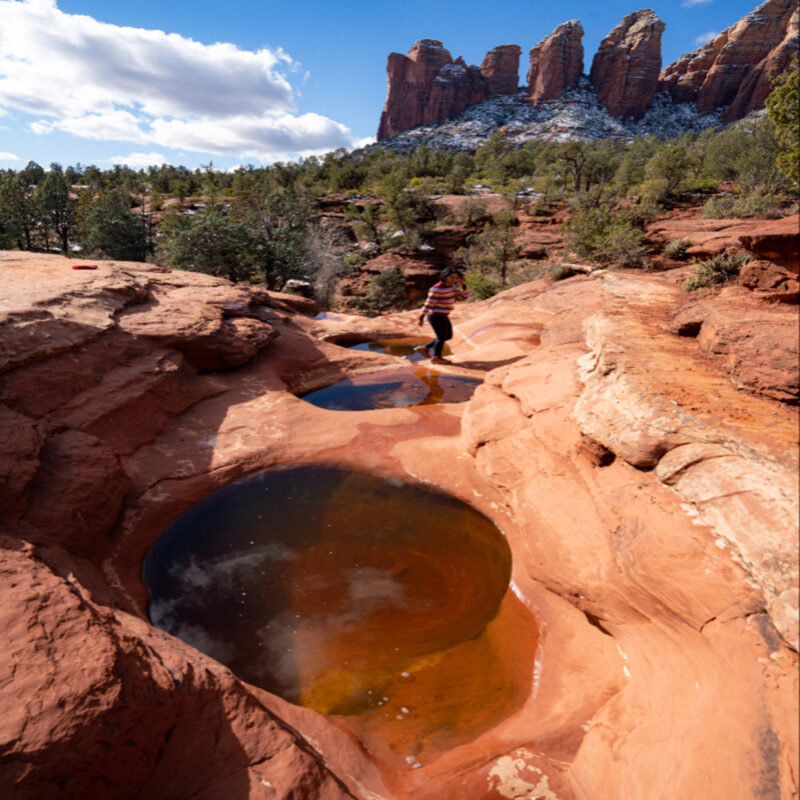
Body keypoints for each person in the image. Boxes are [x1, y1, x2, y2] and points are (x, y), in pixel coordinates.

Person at [415, 267, 469, 363]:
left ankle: (425, 348)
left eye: (456, 278)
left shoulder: (452, 287)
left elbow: (464, 297)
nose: (454, 280)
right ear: (444, 277)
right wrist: (421, 317)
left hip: (443, 315)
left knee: (448, 336)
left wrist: (463, 284)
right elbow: (428, 303)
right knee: (441, 337)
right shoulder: (436, 288)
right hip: (435, 316)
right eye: (451, 277)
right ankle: (437, 358)